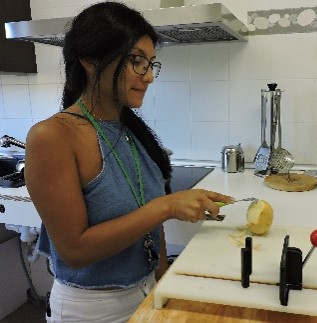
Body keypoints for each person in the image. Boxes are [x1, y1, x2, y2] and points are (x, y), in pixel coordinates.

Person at [24, 2, 232, 322]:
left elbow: (153, 229)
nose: (148, 76)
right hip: (92, 310)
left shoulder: (132, 132)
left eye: (151, 64)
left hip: (146, 291)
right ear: (91, 60)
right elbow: (75, 251)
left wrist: (163, 285)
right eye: (137, 61)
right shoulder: (52, 136)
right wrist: (168, 206)